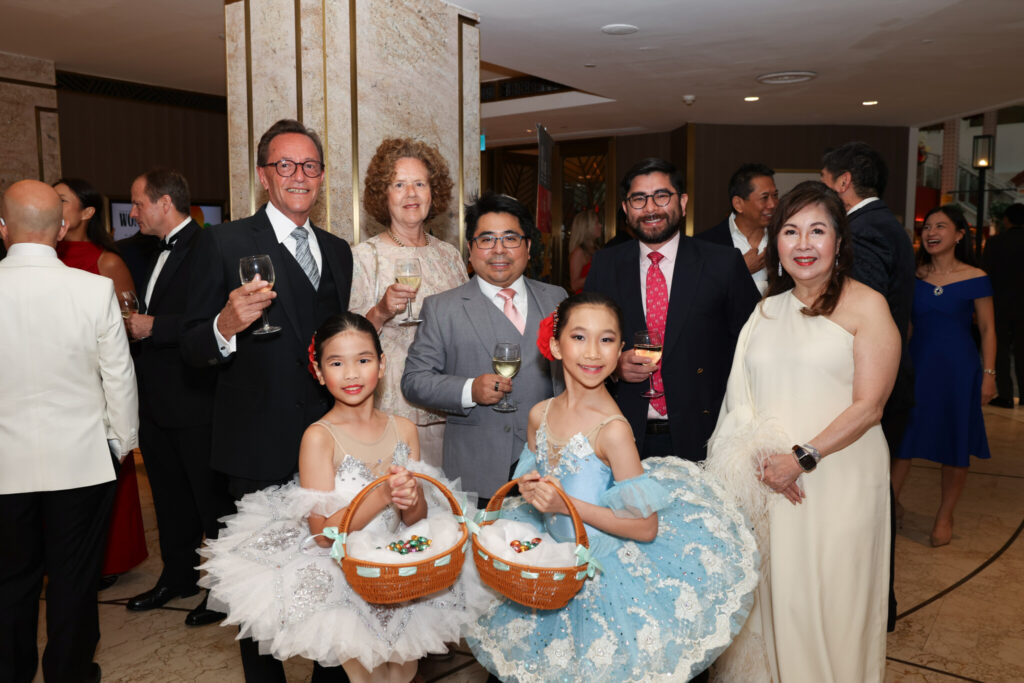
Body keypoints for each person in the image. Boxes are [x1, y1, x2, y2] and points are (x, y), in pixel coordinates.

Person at [466, 292, 759, 682]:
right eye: (579, 337)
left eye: (606, 340)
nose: (592, 352)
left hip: (600, 575)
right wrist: (532, 488)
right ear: (555, 345)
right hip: (551, 562)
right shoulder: (540, 414)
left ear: (621, 349)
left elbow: (645, 526)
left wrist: (563, 504)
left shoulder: (614, 430)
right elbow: (530, 476)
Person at [199, 313, 494, 682]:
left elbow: (415, 523)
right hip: (344, 576)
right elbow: (324, 534)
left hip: (397, 574)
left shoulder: (403, 429)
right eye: (336, 363)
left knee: (401, 670)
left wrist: (412, 497)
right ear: (319, 373)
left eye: (363, 360)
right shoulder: (320, 437)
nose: (352, 374)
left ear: (382, 364)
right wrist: (383, 492)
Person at [704, 181, 900, 682]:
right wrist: (762, 460)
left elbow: (870, 406)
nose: (804, 243)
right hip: (773, 485)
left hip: (840, 477)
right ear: (776, 243)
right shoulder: (766, 311)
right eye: (790, 231)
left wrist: (803, 456)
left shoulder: (867, 306)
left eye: (818, 230)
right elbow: (738, 403)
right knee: (780, 600)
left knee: (837, 601)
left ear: (839, 240)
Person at [181, 118, 354, 682]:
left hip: (327, 446)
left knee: (330, 578)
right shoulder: (223, 242)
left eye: (309, 166)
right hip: (255, 447)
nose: (298, 176)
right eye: (285, 165)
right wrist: (225, 324)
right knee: (264, 590)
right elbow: (188, 344)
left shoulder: (337, 250)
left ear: (322, 177)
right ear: (263, 176)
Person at [0, 180, 138, 683]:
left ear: (2, 229)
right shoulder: (93, 289)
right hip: (81, 462)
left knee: (9, 581)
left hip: (3, 468)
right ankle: (69, 672)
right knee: (74, 579)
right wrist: (120, 445)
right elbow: (118, 376)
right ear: (60, 230)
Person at [584, 158, 759, 462]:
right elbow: (587, 342)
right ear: (626, 209)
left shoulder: (723, 263)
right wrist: (613, 366)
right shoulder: (605, 265)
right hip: (623, 433)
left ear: (683, 201)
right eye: (639, 199)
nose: (651, 208)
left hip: (706, 433)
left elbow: (753, 345)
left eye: (662, 196)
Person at [401, 192, 567, 504]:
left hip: (549, 469)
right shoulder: (442, 308)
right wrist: (469, 390)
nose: (499, 249)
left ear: (528, 246)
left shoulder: (556, 299)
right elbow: (414, 381)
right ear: (470, 249)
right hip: (476, 471)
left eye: (510, 238)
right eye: (487, 239)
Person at [121, 168, 230, 626]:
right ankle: (178, 575)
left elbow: (213, 315)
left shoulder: (210, 246)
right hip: (158, 399)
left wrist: (154, 326)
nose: (132, 212)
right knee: (167, 496)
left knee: (212, 501)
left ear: (165, 203)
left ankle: (224, 592)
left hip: (196, 395)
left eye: (139, 203)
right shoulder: (149, 251)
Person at [821, 141, 915, 629]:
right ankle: (875, 605)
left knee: (858, 504)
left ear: (842, 183)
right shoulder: (889, 225)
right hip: (887, 385)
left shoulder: (866, 232)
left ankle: (867, 609)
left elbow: (863, 307)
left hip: (867, 391)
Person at [53, 177, 148, 587]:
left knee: (105, 473)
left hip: (95, 384)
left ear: (87, 212)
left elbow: (128, 326)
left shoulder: (106, 262)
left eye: (62, 200)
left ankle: (111, 558)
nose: (55, 207)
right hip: (53, 386)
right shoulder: (44, 258)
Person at [350, 137, 468, 467]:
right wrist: (382, 311)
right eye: (399, 184)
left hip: (449, 407)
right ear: (383, 195)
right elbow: (350, 343)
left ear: (434, 192)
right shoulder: (364, 258)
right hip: (393, 409)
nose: (411, 194)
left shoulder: (449, 255)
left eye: (420, 183)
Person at [892, 205, 996, 547]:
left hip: (959, 371)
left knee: (955, 443)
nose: (931, 232)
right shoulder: (914, 276)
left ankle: (944, 515)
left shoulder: (976, 277)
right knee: (903, 442)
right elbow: (905, 329)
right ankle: (889, 507)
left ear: (959, 235)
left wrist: (989, 374)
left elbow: (987, 328)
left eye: (941, 226)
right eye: (927, 227)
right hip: (917, 367)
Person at [697, 163, 779, 294]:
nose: (773, 204)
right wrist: (740, 270)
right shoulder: (705, 244)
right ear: (738, 204)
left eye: (775, 195)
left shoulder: (784, 239)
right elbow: (697, 295)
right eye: (765, 198)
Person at [983, 202, 1024, 408]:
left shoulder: (995, 243)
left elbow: (986, 274)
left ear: (1007, 220)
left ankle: (1006, 395)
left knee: (1001, 350)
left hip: (999, 304)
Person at [567, 209, 602, 292]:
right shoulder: (579, 252)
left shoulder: (596, 249)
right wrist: (598, 276)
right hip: (585, 301)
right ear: (587, 227)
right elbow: (574, 285)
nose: (600, 225)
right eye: (597, 223)